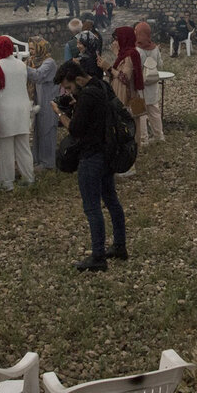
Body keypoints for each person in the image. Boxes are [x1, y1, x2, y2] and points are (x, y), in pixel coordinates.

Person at [52, 59, 127, 271]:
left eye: (68, 88)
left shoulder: (86, 96)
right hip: (108, 152)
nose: (68, 92)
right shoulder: (100, 85)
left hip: (91, 156)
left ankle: (98, 256)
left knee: (92, 207)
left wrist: (59, 112)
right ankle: (119, 245)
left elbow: (75, 129)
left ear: (77, 79)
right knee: (112, 200)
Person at [0, 36, 33, 191]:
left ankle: (6, 183)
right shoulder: (21, 65)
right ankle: (28, 178)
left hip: (4, 112)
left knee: (6, 150)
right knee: (24, 148)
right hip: (22, 109)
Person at [105, 26, 144, 153]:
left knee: (126, 123)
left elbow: (125, 77)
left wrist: (109, 68)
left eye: (117, 39)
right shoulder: (125, 54)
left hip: (126, 95)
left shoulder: (130, 55)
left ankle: (128, 155)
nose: (114, 43)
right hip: (124, 92)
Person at [26, 37, 59, 170]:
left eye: (33, 49)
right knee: (39, 131)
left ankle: (48, 162)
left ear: (41, 48)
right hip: (40, 102)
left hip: (48, 102)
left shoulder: (49, 63)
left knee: (47, 131)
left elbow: (38, 75)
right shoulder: (35, 62)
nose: (31, 52)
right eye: (30, 49)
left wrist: (23, 67)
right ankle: (38, 160)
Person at [135, 21, 165, 145]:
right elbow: (160, 65)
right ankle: (159, 136)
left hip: (139, 85)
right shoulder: (155, 48)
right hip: (152, 83)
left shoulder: (136, 50)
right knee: (154, 111)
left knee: (140, 113)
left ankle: (143, 139)